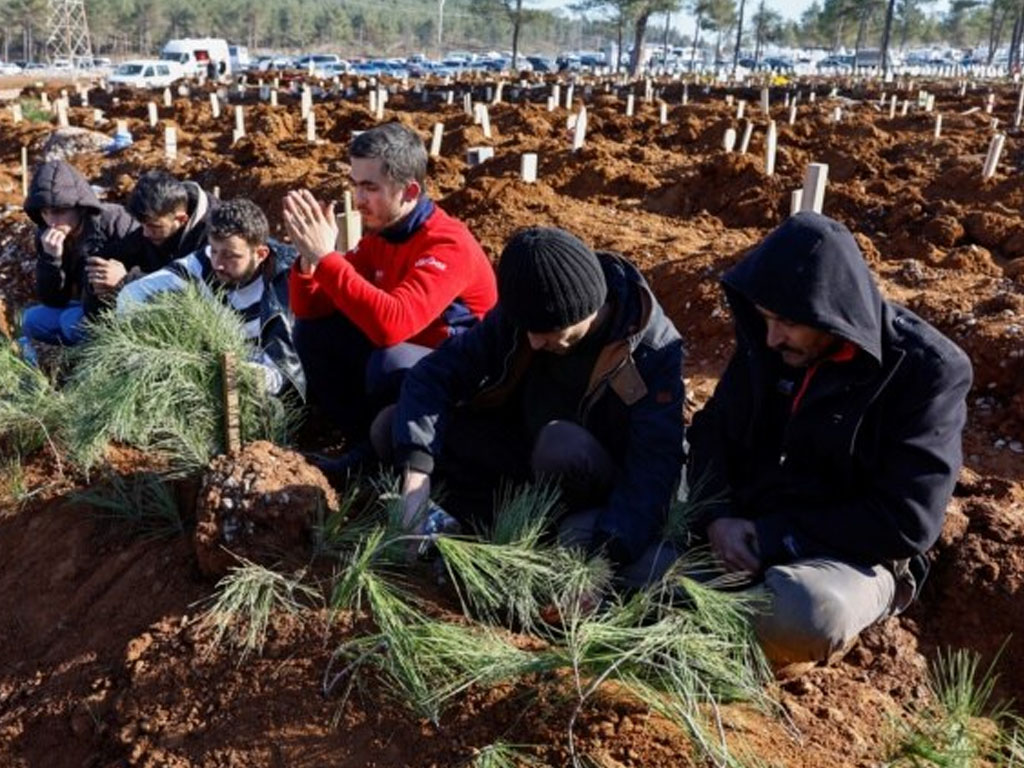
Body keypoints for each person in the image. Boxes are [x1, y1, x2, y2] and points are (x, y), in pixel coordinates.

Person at [686, 212, 972, 668]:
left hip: (848, 556)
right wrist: (718, 516)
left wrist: (774, 536)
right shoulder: (771, 343)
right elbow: (712, 432)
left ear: (831, 313)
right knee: (640, 568)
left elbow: (908, 522)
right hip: (743, 533)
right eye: (764, 318)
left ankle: (774, 635)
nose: (772, 336)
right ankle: (719, 624)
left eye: (787, 322)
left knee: (804, 612)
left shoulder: (925, 371)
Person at [385, 227, 685, 586]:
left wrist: (604, 560)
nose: (533, 341)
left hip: (594, 477)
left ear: (586, 309)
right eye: (527, 329)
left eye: (546, 332)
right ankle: (481, 528)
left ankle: (534, 540)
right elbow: (435, 374)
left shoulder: (650, 348)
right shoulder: (525, 312)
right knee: (393, 428)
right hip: (520, 458)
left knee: (559, 445)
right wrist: (417, 480)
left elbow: (653, 466)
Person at [282, 122, 497, 468]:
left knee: (387, 360)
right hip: (413, 357)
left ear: (410, 192)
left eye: (370, 188)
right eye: (355, 185)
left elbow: (391, 326)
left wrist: (327, 258)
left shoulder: (447, 244)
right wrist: (310, 260)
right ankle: (360, 443)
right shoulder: (383, 236)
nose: (358, 199)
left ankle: (394, 459)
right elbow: (310, 308)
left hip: (465, 380)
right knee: (315, 333)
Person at [118, 198, 305, 399]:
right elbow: (132, 295)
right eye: (214, 251)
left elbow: (284, 373)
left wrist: (236, 373)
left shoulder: (285, 285)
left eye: (230, 256)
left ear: (260, 253)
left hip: (260, 384)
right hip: (210, 369)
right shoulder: (201, 265)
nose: (218, 264)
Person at [20, 160, 138, 352]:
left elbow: (149, 263)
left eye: (59, 212)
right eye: (45, 213)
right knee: (31, 320)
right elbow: (53, 299)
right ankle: (64, 356)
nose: (52, 221)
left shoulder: (115, 221)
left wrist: (123, 278)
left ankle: (93, 357)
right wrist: (52, 259)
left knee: (70, 323)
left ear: (80, 207)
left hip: (119, 306)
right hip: (82, 305)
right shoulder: (45, 233)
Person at [124, 170, 217, 275]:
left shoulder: (214, 237)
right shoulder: (156, 216)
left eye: (155, 227)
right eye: (142, 225)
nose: (145, 233)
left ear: (181, 219)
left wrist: (126, 280)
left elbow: (191, 285)